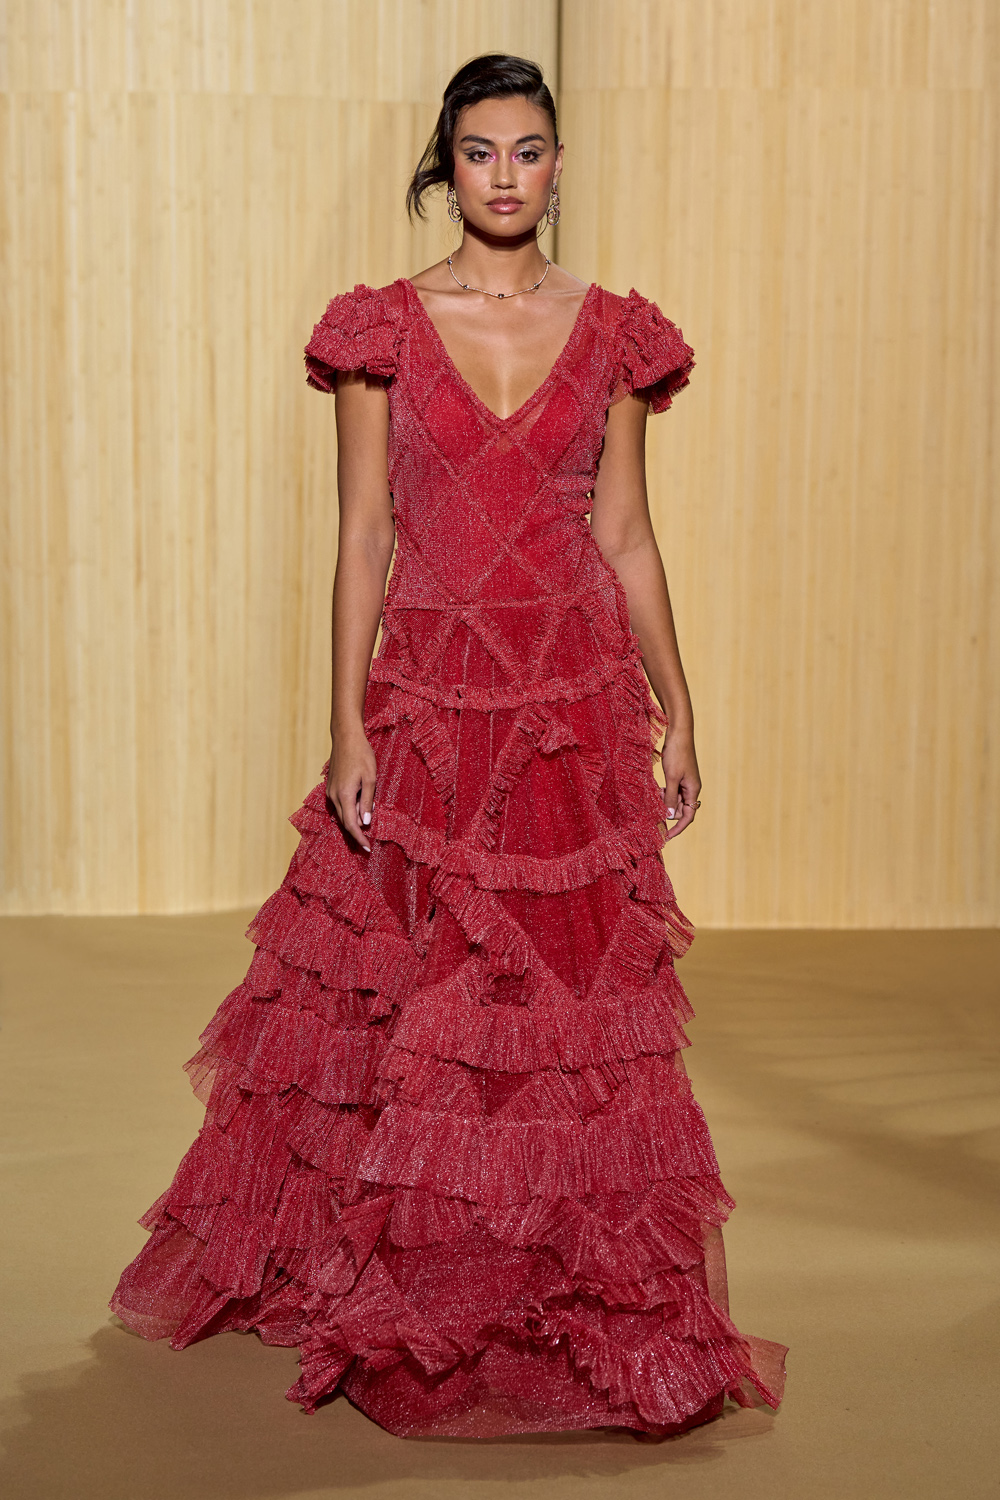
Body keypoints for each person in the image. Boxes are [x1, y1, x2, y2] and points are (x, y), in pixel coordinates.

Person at [111, 53, 786, 1439]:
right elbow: (363, 533)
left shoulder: (614, 334)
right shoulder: (382, 330)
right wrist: (341, 720)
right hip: (427, 699)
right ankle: (413, 1278)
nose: (504, 176)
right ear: (447, 163)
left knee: (565, 1017)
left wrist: (681, 703)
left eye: (527, 151)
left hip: (570, 703)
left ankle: (562, 1284)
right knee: (409, 1004)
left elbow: (626, 534)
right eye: (480, 152)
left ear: (558, 165)